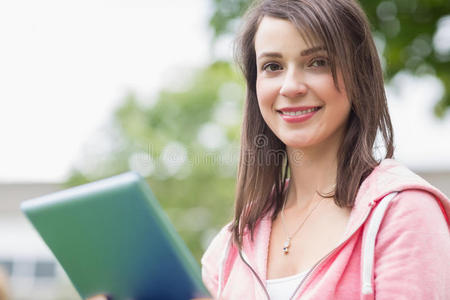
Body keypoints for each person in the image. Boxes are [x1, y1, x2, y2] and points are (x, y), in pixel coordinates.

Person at [200, 0, 450, 299]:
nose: (291, 87)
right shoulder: (233, 243)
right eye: (273, 66)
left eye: (318, 62)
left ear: (358, 74)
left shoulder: (404, 213)